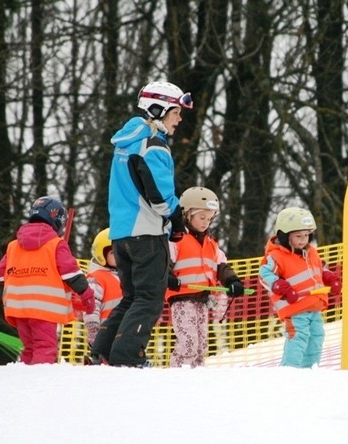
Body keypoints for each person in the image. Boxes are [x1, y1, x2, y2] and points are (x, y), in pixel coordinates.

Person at [90, 81, 192, 367]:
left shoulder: (127, 142)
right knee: (149, 299)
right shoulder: (154, 145)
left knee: (132, 296)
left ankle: (103, 351)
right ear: (159, 110)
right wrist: (176, 219)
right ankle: (128, 357)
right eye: (176, 112)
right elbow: (159, 194)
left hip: (121, 235)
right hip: (146, 233)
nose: (179, 119)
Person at [0, 196, 95, 364]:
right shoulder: (56, 244)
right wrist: (86, 293)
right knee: (45, 346)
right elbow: (71, 273)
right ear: (58, 220)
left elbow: (0, 273)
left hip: (18, 307)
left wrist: (5, 298)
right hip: (44, 308)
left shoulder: (13, 245)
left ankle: (25, 378)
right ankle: (40, 381)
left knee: (29, 346)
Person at [165, 187, 244, 368]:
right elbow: (165, 261)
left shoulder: (211, 244)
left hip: (202, 299)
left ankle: (196, 375)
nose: (206, 223)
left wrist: (233, 281)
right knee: (189, 342)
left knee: (201, 344)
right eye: (202, 217)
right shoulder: (177, 239)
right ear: (187, 215)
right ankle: (178, 373)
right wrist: (167, 276)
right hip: (182, 298)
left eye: (209, 218)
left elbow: (221, 266)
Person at [259, 207, 342, 368]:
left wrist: (330, 278)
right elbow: (264, 275)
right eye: (298, 236)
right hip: (295, 308)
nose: (303, 240)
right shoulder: (277, 256)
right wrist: (280, 286)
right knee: (298, 337)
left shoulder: (311, 253)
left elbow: (319, 270)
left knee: (316, 337)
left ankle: (309, 370)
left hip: (314, 306)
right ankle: (290, 370)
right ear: (284, 235)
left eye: (306, 235)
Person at [80, 228, 122, 348]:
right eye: (113, 253)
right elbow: (91, 306)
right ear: (101, 255)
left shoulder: (126, 276)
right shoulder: (97, 278)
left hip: (124, 331)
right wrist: (93, 330)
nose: (119, 256)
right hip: (105, 332)